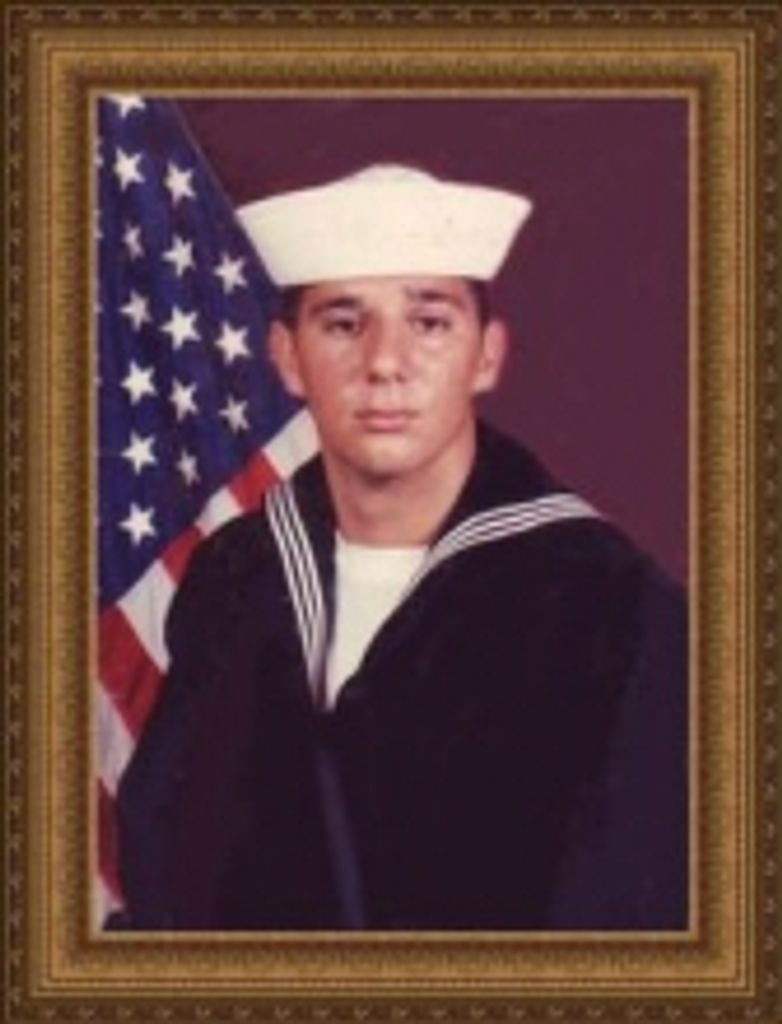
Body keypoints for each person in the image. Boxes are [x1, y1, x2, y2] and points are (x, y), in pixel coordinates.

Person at [115, 165, 688, 930]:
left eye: (429, 322)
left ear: (486, 355)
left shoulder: (612, 604)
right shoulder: (233, 579)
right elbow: (167, 879)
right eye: (343, 324)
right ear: (287, 357)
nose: (385, 364)